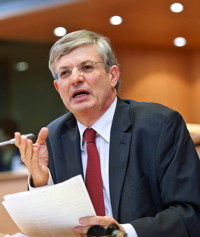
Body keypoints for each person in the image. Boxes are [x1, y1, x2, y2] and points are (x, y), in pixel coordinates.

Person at [14, 30, 200, 237]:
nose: (76, 78)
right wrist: (41, 181)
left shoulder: (159, 125)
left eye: (86, 67)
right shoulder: (55, 136)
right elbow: (49, 225)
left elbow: (190, 213)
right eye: (65, 73)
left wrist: (123, 233)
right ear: (58, 88)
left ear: (113, 75)